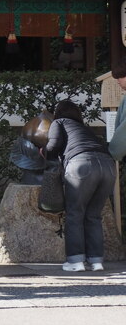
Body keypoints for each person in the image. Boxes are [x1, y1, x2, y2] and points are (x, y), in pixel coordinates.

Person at [44, 98, 116, 271]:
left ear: (58, 113)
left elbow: (53, 146)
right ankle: (96, 261)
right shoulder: (85, 129)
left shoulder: (59, 122)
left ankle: (76, 262)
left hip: (81, 165)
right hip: (108, 167)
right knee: (93, 215)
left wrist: (44, 153)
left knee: (75, 214)